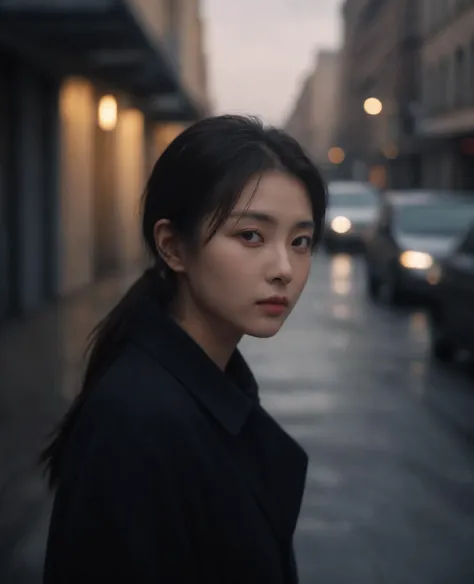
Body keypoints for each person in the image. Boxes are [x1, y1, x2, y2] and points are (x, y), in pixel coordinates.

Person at [41, 115, 327, 584]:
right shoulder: (137, 421)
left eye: (301, 241)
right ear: (173, 247)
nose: (284, 269)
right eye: (250, 235)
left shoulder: (206, 386)